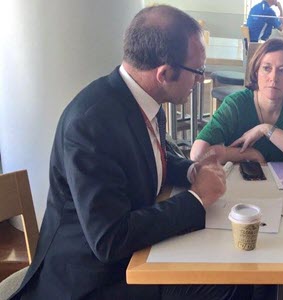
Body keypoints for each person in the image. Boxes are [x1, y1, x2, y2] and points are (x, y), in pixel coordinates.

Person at [11, 5, 245, 300]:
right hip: (91, 279)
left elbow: (146, 156)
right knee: (228, 285)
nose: (200, 80)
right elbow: (110, 239)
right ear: (164, 73)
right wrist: (197, 198)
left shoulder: (142, 98)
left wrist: (190, 170)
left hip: (129, 258)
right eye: (197, 71)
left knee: (229, 269)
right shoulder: (91, 125)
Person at [191, 38, 283, 167]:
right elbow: (198, 154)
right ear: (256, 71)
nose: (273, 78)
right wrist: (249, 154)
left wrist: (266, 129)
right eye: (266, 68)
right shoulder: (236, 104)